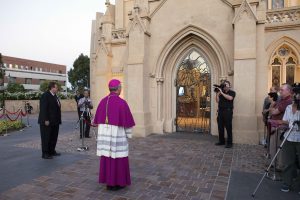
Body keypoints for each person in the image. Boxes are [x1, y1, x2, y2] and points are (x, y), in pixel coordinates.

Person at [93, 79, 135, 191]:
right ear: (117, 89)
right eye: (120, 87)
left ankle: (109, 183)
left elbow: (97, 121)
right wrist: (128, 134)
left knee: (108, 157)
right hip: (118, 137)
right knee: (118, 158)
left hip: (105, 137)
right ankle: (119, 182)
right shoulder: (122, 103)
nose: (121, 89)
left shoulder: (102, 101)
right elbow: (127, 123)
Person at [278, 92, 300, 193]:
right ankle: (287, 182)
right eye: (295, 95)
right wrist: (291, 123)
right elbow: (284, 120)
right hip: (289, 136)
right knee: (288, 161)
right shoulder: (289, 107)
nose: (296, 97)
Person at [268, 84, 293, 165]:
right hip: (275, 126)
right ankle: (273, 163)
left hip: (280, 127)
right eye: (280, 90)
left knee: (278, 147)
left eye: (282, 90)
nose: (280, 92)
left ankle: (279, 165)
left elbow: (274, 111)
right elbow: (272, 110)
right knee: (273, 146)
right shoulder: (281, 100)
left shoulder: (288, 101)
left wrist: (272, 108)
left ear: (288, 91)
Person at [38, 82, 62, 159]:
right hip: (47, 121)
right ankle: (45, 153)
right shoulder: (45, 95)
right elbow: (43, 109)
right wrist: (46, 119)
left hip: (55, 121)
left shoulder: (55, 96)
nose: (57, 89)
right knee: (46, 137)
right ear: (52, 88)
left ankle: (51, 151)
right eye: (56, 87)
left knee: (53, 137)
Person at [215, 80, 236, 148]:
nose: (225, 86)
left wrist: (222, 93)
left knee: (228, 127)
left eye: (226, 85)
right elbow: (217, 101)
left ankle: (229, 143)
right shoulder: (221, 92)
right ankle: (221, 141)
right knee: (220, 127)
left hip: (228, 112)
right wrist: (217, 94)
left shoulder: (232, 92)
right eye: (224, 85)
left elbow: (230, 98)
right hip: (220, 111)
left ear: (229, 86)